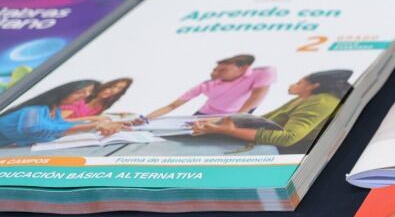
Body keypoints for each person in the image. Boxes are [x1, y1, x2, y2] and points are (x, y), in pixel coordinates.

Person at [191, 70, 352, 155]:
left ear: (314, 85)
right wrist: (218, 122)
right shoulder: (306, 98)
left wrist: (229, 130)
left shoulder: (320, 103)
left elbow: (288, 138)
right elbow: (265, 119)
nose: (292, 85)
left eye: (299, 82)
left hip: (289, 152)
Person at [0, 80, 130, 147]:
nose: (85, 96)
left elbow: (60, 124)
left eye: (88, 92)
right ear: (64, 92)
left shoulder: (54, 111)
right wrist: (94, 125)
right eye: (80, 92)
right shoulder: (33, 110)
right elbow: (34, 128)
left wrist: (100, 124)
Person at [145, 55, 274, 120]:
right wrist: (146, 119)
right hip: (204, 115)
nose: (215, 73)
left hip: (233, 117)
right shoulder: (206, 85)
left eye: (223, 70)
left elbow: (257, 95)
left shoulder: (260, 74)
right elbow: (172, 106)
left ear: (243, 69)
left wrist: (237, 117)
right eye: (215, 70)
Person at [60, 78, 133, 118]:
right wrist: (93, 119)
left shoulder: (101, 105)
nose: (114, 90)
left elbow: (92, 117)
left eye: (120, 88)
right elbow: (59, 121)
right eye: (113, 87)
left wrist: (117, 115)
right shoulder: (82, 97)